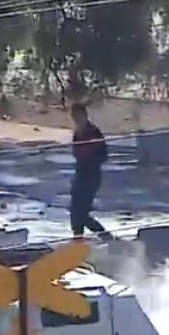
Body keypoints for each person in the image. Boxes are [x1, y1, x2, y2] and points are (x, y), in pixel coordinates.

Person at [69, 103, 113, 241]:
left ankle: (107, 238)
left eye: (78, 115)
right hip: (80, 175)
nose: (76, 118)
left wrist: (91, 163)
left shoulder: (93, 132)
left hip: (91, 177)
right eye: (74, 116)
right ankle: (78, 240)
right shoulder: (78, 133)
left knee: (81, 213)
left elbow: (103, 154)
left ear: (84, 115)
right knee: (75, 212)